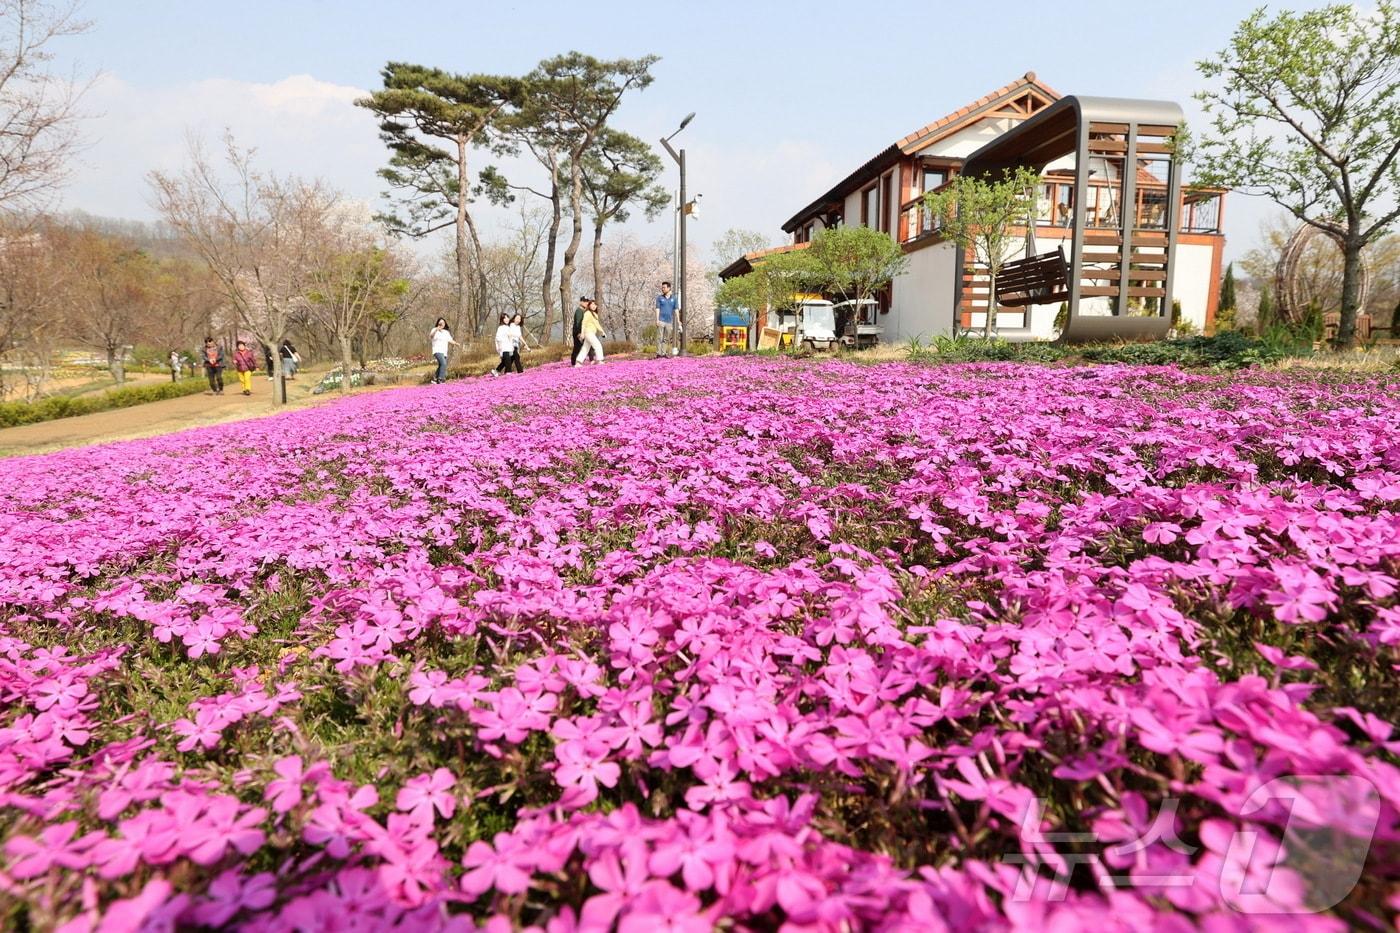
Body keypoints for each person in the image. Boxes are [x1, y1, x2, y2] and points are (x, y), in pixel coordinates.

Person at [575, 300, 606, 365]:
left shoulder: (594, 314)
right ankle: (599, 360)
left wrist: (602, 332)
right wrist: (582, 333)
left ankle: (578, 362)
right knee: (597, 345)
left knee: (585, 348)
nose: (594, 306)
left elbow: (597, 324)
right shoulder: (587, 313)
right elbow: (583, 323)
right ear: (589, 306)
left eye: (595, 305)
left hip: (591, 333)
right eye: (592, 304)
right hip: (588, 332)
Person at [655, 280, 680, 357]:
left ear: (669, 288)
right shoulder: (659, 298)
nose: (662, 289)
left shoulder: (674, 299)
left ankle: (664, 353)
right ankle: (658, 353)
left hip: (669, 321)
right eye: (662, 288)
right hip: (661, 321)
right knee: (659, 338)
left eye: (664, 287)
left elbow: (676, 309)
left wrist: (678, 320)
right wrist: (657, 320)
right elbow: (657, 309)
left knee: (666, 338)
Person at [429, 318, 457, 384]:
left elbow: (450, 340)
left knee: (441, 365)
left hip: (444, 351)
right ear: (438, 324)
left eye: (443, 323)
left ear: (445, 324)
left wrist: (456, 343)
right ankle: (440, 379)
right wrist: (436, 330)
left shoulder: (446, 332)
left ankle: (434, 379)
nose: (442, 324)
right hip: (437, 350)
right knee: (444, 363)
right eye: (440, 323)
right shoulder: (434, 330)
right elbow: (431, 336)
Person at [570, 297, 590, 367]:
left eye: (587, 301)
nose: (586, 303)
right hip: (578, 332)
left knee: (582, 347)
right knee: (577, 348)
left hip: (582, 332)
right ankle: (574, 362)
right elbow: (578, 323)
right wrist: (579, 333)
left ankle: (577, 361)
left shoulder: (583, 311)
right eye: (584, 301)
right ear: (581, 302)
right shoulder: (579, 311)